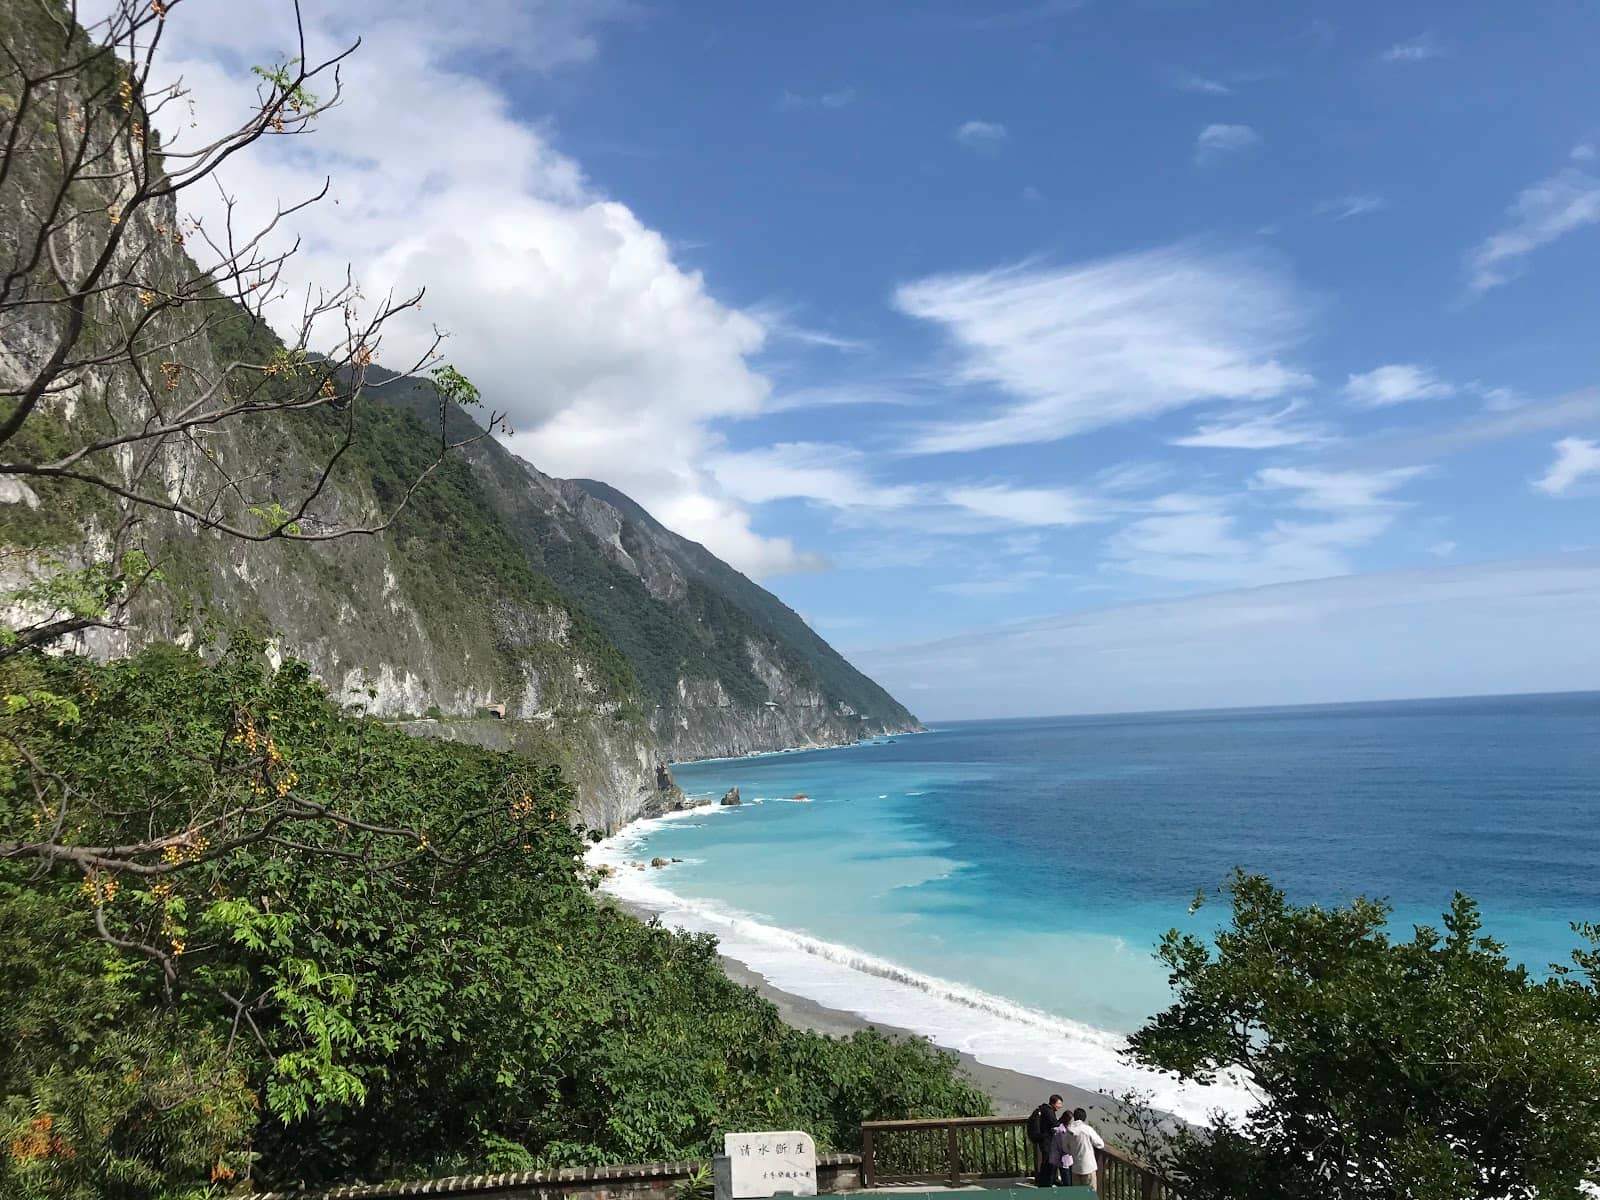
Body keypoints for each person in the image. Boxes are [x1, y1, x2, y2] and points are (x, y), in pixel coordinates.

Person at [1027, 1094, 1066, 1186]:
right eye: (1059, 1104)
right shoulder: (1048, 1111)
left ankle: (1049, 1179)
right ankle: (1046, 1182)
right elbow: (1054, 1124)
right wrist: (1062, 1120)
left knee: (1047, 1160)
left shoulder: (1045, 1109)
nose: (1061, 1106)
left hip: (1044, 1139)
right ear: (1053, 1103)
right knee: (1048, 1161)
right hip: (1046, 1140)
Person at [1065, 1108, 1105, 1192]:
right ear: (1084, 1118)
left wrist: (1072, 1151)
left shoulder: (1068, 1131)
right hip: (1088, 1167)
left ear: (1074, 1117)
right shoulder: (1087, 1129)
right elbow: (1100, 1144)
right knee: (1090, 1193)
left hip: (1075, 1167)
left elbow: (1065, 1148)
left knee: (1078, 1194)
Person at [1049, 1118, 1075, 1187]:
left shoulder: (1066, 1130)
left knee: (1070, 1181)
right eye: (1071, 1123)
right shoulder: (1060, 1132)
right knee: (1067, 1183)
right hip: (1063, 1160)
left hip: (1068, 1159)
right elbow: (1062, 1147)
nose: (1072, 1125)